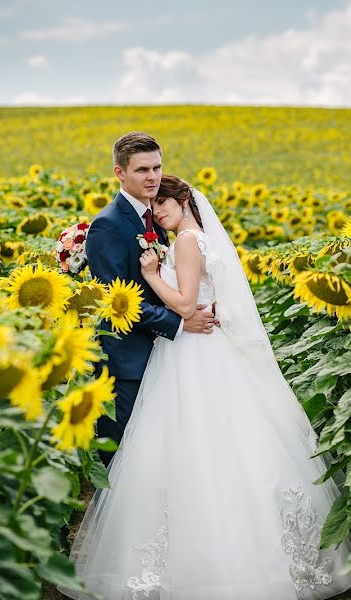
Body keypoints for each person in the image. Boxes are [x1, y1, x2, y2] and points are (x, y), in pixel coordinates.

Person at [60, 173, 351, 599]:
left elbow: (184, 304)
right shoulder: (198, 238)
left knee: (190, 439)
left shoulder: (184, 241)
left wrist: (149, 274)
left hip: (191, 349)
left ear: (185, 201)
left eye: (165, 202)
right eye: (156, 203)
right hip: (204, 345)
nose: (159, 210)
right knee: (224, 442)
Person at [85, 132, 217, 466]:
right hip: (125, 362)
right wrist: (181, 322)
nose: (153, 177)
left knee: (158, 457)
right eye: (143, 169)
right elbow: (118, 303)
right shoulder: (107, 225)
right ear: (120, 173)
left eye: (157, 167)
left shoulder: (156, 221)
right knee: (121, 461)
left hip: (162, 357)